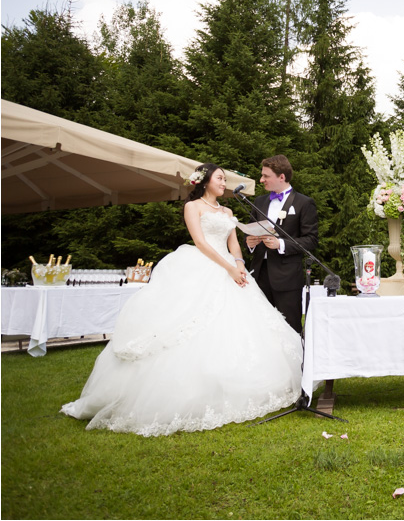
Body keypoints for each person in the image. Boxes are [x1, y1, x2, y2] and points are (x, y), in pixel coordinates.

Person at [61, 164, 303, 436]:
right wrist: (227, 268)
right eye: (220, 178)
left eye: (224, 179)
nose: (224, 183)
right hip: (203, 267)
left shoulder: (228, 211)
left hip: (231, 268)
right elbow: (200, 242)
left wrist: (238, 263)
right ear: (205, 181)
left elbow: (234, 241)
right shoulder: (193, 207)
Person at [245, 155, 319, 335]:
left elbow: (311, 239)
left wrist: (281, 244)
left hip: (287, 278)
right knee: (260, 328)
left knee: (290, 327)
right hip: (259, 274)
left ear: (282, 177)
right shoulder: (259, 202)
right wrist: (250, 242)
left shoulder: (303, 203)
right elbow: (249, 230)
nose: (261, 180)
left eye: (265, 176)